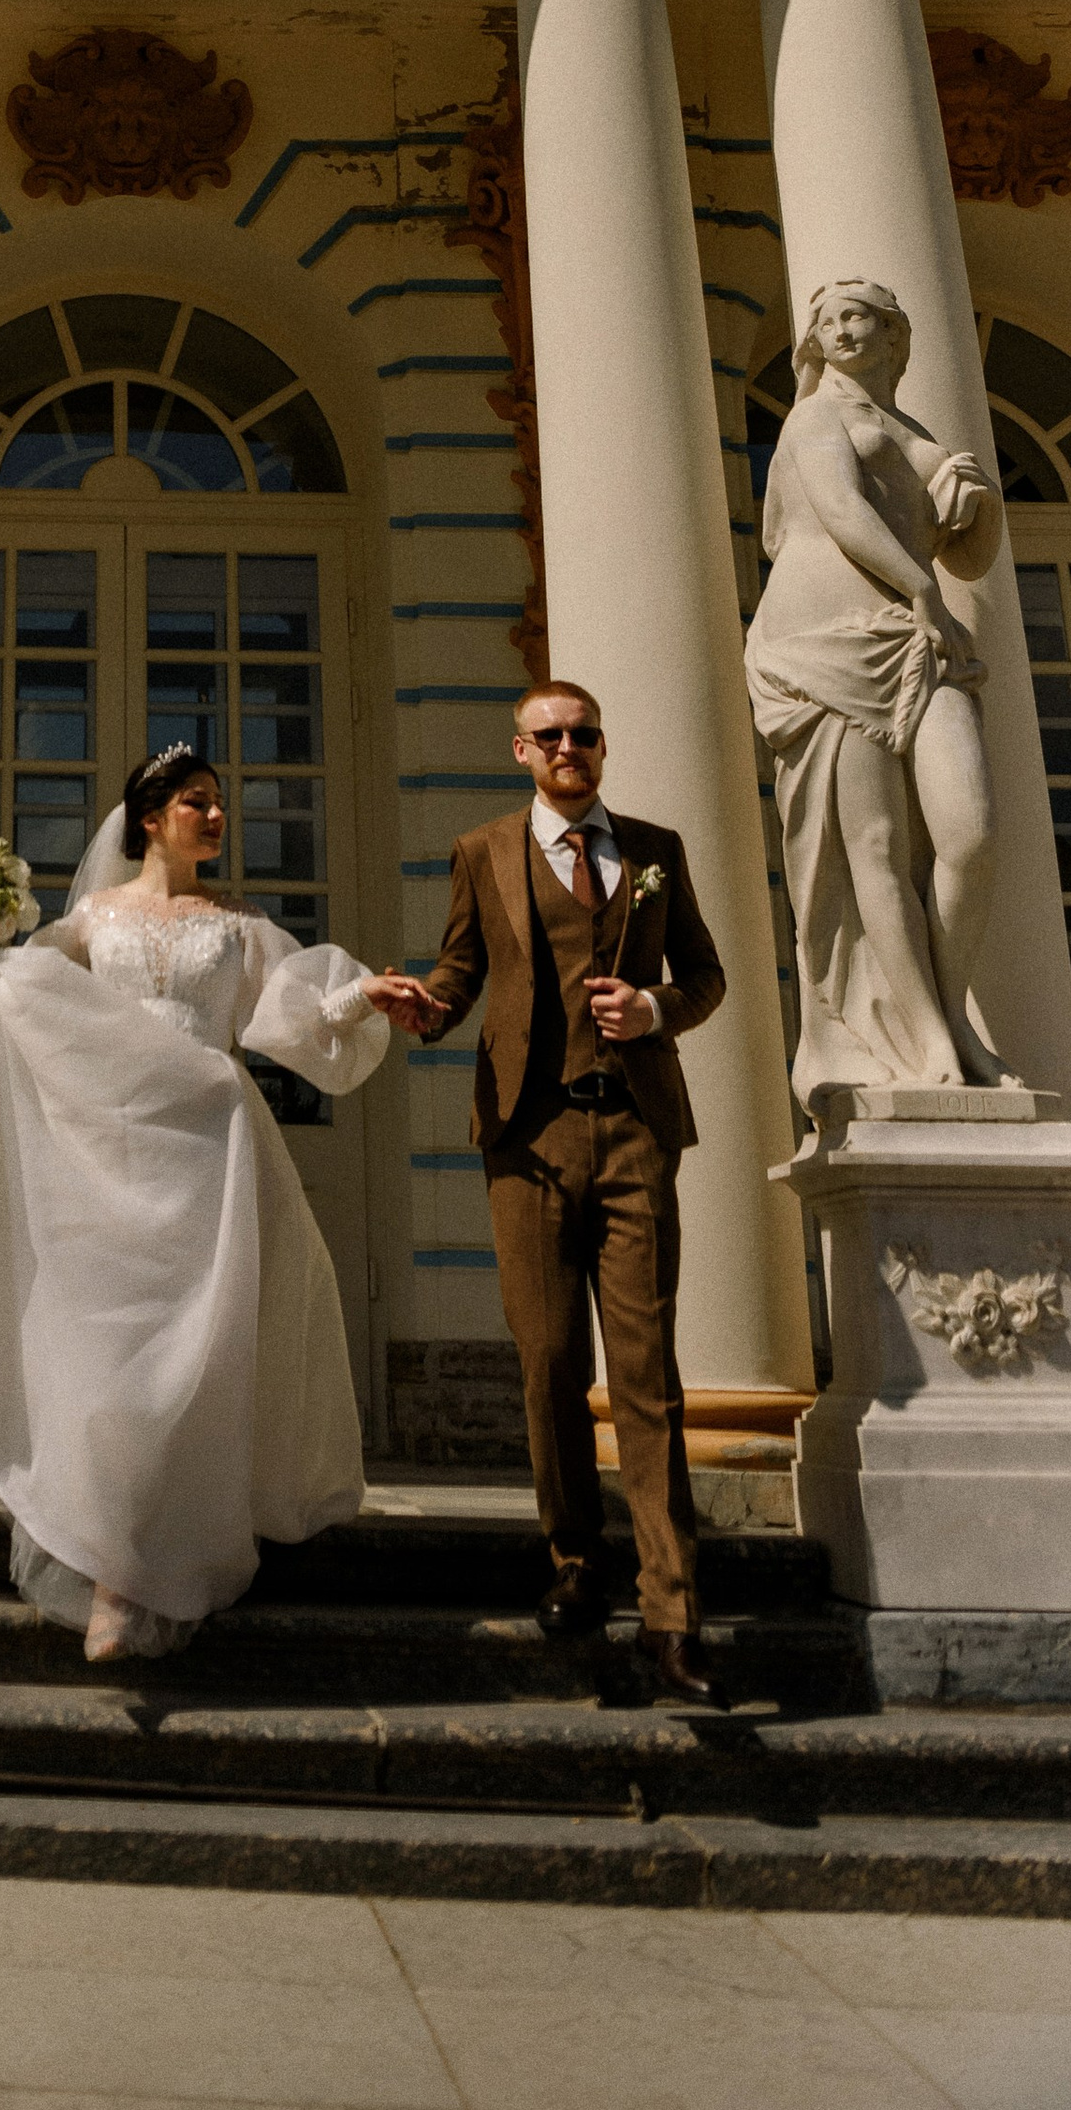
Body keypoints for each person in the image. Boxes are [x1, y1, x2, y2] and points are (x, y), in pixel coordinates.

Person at [0, 740, 394, 1663]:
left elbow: (289, 1018)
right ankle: (111, 1559)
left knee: (194, 1364)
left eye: (219, 802)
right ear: (150, 820)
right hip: (101, 1164)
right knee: (107, 1365)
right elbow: (25, 998)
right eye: (197, 802)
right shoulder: (92, 922)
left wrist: (361, 999)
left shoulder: (240, 924)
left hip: (208, 1160)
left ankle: (145, 1563)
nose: (216, 816)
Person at [372, 680, 729, 1705]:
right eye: (550, 736)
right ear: (518, 751)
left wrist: (655, 1007)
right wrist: (425, 1008)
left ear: (599, 749)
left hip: (633, 1132)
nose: (569, 747)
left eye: (583, 734)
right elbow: (459, 968)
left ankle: (673, 1612)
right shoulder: (483, 851)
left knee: (646, 1374)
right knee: (547, 1361)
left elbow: (702, 976)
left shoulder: (653, 850)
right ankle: (575, 1558)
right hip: (526, 1139)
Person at [743, 278, 1008, 1099]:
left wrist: (980, 512)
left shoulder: (915, 429)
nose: (842, 330)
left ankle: (948, 1009)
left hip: (918, 637)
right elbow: (843, 511)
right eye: (828, 322)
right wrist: (925, 593)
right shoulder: (816, 415)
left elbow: (964, 557)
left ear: (895, 334)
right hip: (827, 640)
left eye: (859, 317)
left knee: (970, 834)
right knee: (877, 852)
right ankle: (929, 1040)